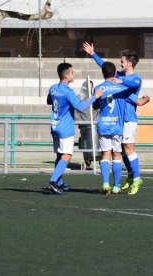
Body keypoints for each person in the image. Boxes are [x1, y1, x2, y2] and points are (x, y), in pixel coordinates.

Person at [83, 42, 150, 195]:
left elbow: (132, 84)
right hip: (118, 119)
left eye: (122, 61)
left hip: (129, 118)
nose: (120, 63)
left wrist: (122, 82)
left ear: (129, 63)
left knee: (128, 148)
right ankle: (131, 176)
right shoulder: (118, 76)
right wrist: (93, 54)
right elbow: (105, 67)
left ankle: (137, 178)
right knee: (122, 151)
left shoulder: (135, 79)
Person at [46, 62, 103, 195]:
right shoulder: (68, 92)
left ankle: (59, 183)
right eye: (72, 72)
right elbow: (81, 106)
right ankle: (53, 181)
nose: (73, 74)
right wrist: (95, 97)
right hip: (65, 127)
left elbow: (49, 101)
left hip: (55, 125)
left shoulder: (53, 88)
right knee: (67, 156)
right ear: (66, 75)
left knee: (60, 155)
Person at [93, 61, 131, 194]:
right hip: (117, 125)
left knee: (105, 154)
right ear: (115, 73)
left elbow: (95, 106)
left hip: (103, 124)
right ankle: (116, 186)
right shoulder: (122, 88)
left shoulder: (98, 87)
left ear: (102, 73)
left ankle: (105, 184)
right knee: (116, 154)